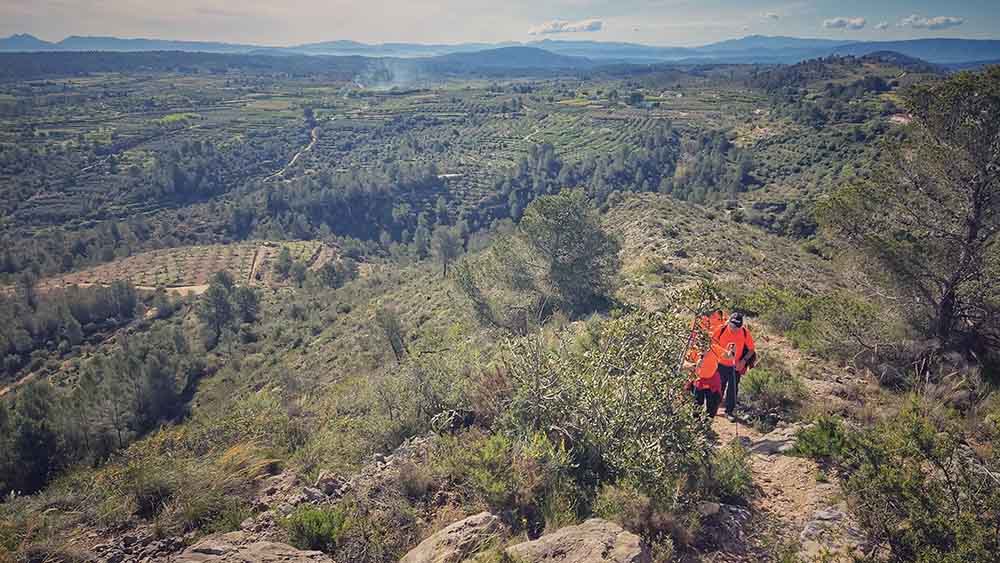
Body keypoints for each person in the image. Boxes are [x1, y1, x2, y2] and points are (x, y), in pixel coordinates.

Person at [712, 312, 756, 422]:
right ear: (728, 322)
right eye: (732, 325)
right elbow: (711, 344)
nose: (734, 328)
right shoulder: (720, 330)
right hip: (720, 364)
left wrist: (743, 361)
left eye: (737, 327)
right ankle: (713, 409)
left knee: (733, 389)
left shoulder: (745, 333)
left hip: (735, 366)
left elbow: (751, 349)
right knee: (718, 387)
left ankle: (729, 412)